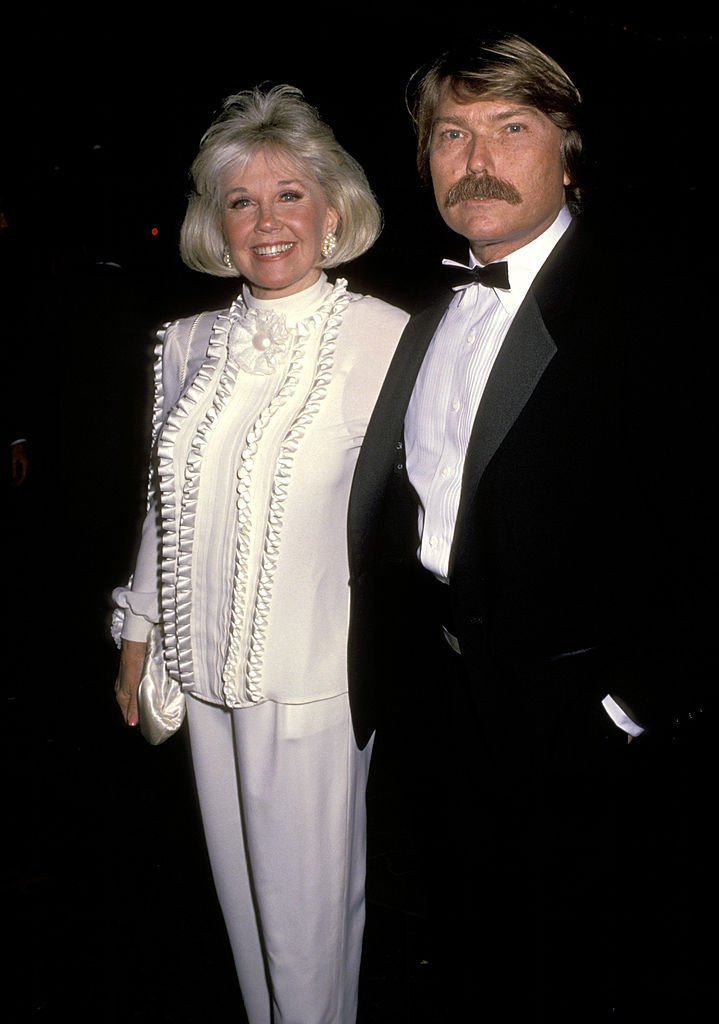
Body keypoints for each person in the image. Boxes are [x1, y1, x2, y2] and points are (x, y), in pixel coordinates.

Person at [347, 33, 714, 1021]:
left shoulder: (660, 303)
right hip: (436, 714)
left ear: (566, 149)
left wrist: (632, 705)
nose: (475, 159)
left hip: (577, 732)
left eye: (510, 128)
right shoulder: (422, 309)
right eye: (449, 133)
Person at [112, 84, 408, 1024]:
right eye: (241, 201)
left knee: (309, 935)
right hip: (199, 674)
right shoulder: (187, 341)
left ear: (332, 212)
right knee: (243, 921)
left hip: (313, 686)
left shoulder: (386, 339)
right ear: (217, 224)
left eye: (289, 195)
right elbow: (165, 501)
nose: (266, 220)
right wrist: (137, 631)